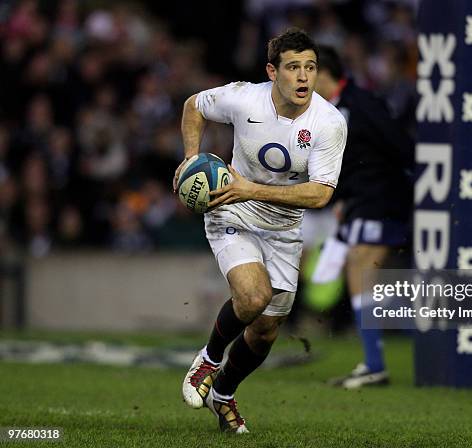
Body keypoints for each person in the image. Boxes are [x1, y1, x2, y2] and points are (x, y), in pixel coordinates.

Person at [174, 29, 347, 433]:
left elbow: (321, 194)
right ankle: (209, 360)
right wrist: (189, 158)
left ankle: (224, 394)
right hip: (232, 211)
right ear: (273, 72)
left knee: (266, 330)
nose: (304, 77)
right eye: (293, 68)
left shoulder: (329, 123)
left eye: (310, 67)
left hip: (283, 226)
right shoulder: (243, 97)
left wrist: (251, 188)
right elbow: (193, 106)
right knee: (253, 297)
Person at [314, 46, 413, 389]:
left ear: (322, 73)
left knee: (360, 264)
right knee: (358, 271)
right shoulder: (333, 110)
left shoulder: (361, 104)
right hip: (360, 201)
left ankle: (376, 363)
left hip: (381, 200)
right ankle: (373, 362)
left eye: (307, 71)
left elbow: (400, 145)